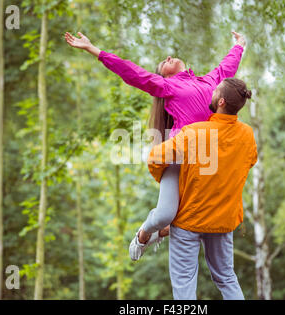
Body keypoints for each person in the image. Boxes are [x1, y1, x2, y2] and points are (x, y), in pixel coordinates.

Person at [64, 30, 246, 261]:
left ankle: (160, 233)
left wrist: (240, 44)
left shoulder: (211, 81)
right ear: (163, 75)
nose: (168, 57)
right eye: (163, 63)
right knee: (164, 215)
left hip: (207, 158)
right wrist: (94, 50)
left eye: (169, 57)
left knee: (201, 221)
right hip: (179, 155)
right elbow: (133, 73)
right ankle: (143, 234)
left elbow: (227, 66)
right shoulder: (168, 87)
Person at [147, 77, 257, 300]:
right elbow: (250, 161)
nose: (211, 93)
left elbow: (154, 158)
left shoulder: (193, 133)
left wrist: (169, 180)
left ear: (221, 102)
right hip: (224, 222)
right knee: (226, 278)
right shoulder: (247, 135)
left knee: (184, 283)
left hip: (189, 221)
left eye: (215, 91)